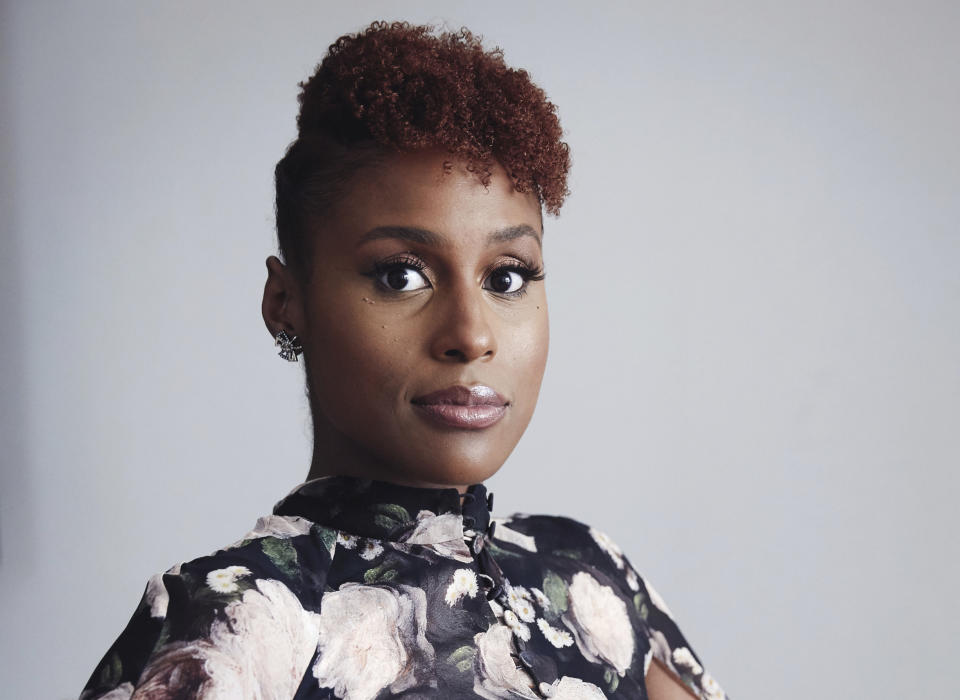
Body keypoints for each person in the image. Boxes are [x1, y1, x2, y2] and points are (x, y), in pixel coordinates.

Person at [80, 20, 728, 700]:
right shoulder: (233, 628)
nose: (471, 335)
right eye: (401, 275)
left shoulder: (590, 582)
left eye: (506, 277)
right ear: (285, 301)